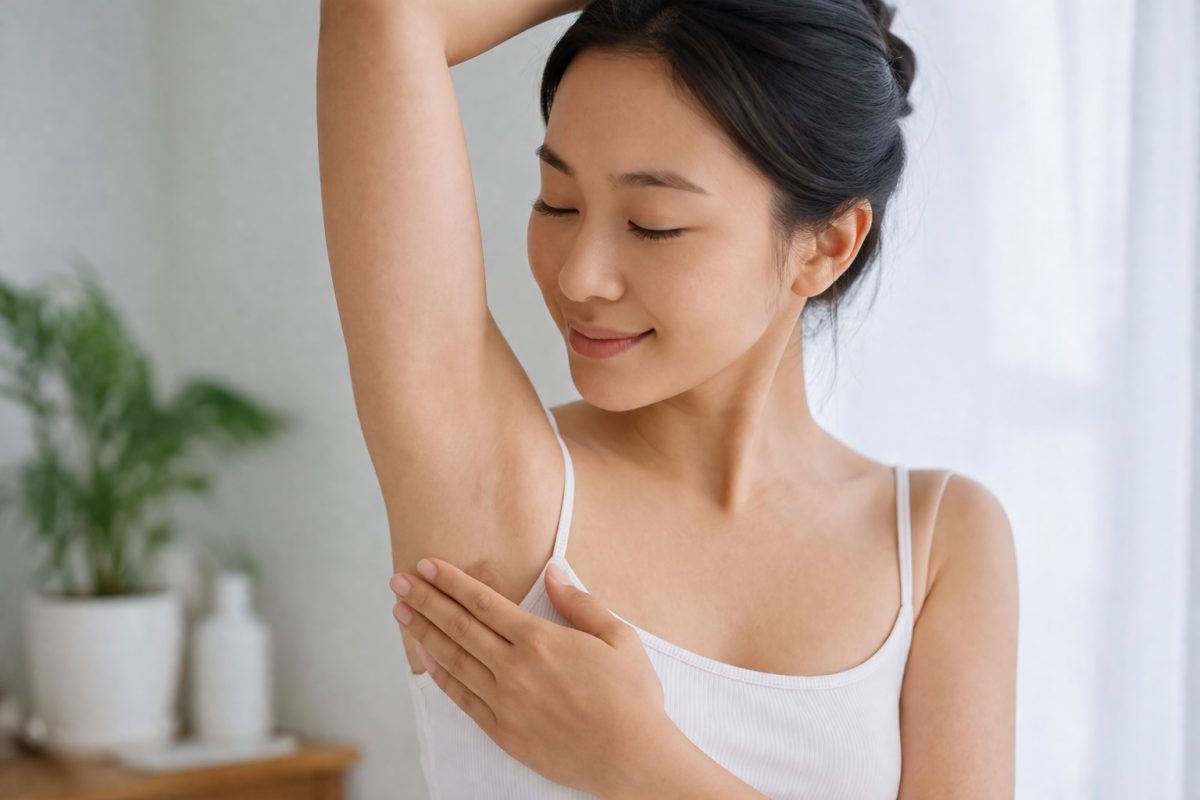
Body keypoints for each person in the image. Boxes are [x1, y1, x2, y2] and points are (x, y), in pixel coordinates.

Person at [316, 0, 1018, 797]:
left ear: (825, 246)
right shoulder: (500, 489)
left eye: (653, 224)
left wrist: (637, 760)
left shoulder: (937, 543)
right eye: (558, 202)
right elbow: (385, 14)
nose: (578, 275)